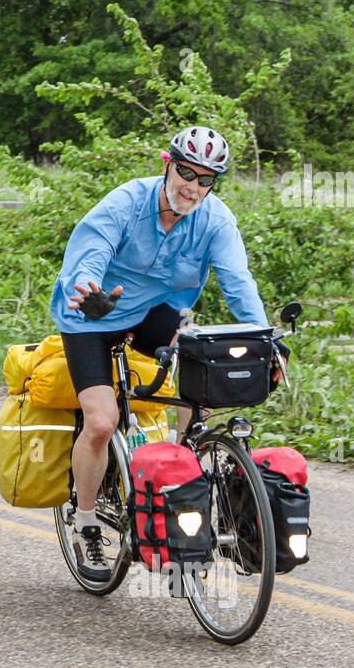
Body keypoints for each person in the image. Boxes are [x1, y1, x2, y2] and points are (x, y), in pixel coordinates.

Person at [49, 125, 288, 571]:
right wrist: (91, 292)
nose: (193, 187)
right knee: (102, 421)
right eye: (186, 172)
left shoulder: (216, 219)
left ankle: (183, 457)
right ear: (167, 163)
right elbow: (91, 255)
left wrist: (265, 339)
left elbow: (238, 284)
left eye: (205, 179)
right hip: (94, 312)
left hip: (154, 312)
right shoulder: (125, 203)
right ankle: (85, 524)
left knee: (204, 355)